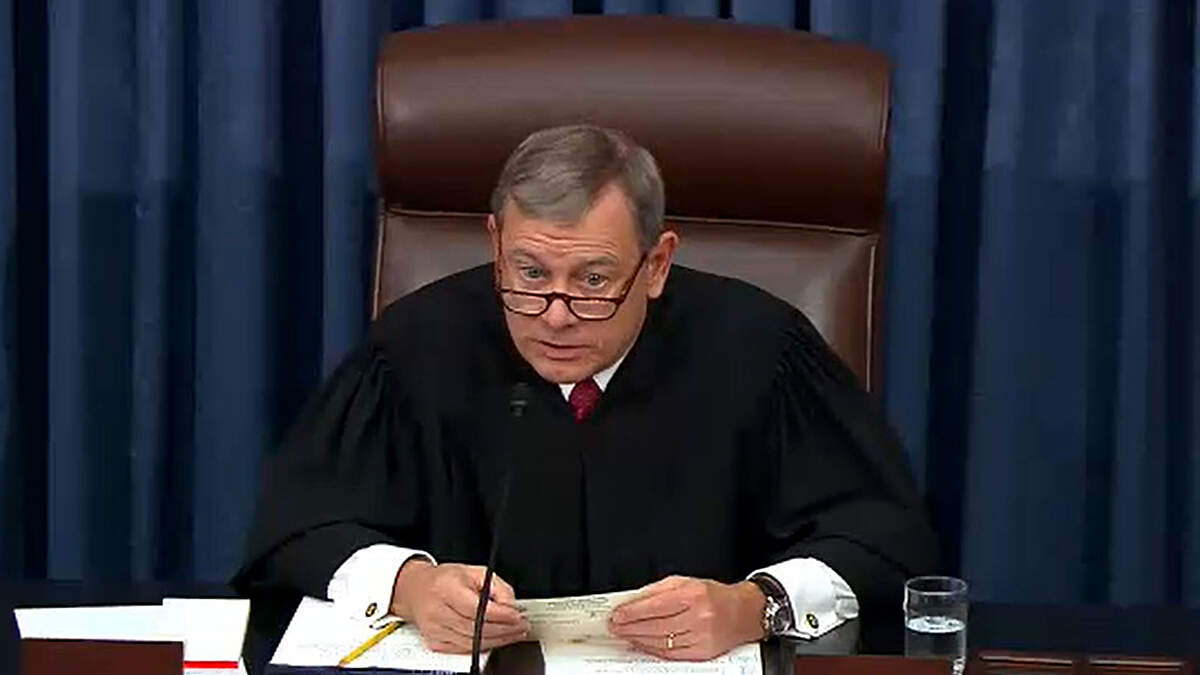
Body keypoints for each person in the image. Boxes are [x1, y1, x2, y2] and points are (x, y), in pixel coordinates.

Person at [233, 124, 937, 661]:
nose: (556, 315)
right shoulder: (418, 345)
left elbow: (883, 538)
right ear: (494, 242)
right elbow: (300, 526)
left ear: (656, 264)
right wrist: (409, 586)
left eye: (594, 280)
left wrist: (755, 606)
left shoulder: (759, 350)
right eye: (529, 273)